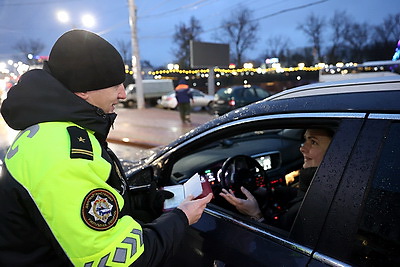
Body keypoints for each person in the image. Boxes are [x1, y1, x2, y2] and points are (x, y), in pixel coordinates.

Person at [0, 29, 212, 266]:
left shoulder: (56, 130)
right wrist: (182, 218)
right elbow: (116, 259)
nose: (122, 94)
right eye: (114, 85)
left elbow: (100, 200)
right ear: (83, 91)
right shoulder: (64, 154)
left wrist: (152, 202)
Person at [220, 128, 333, 231]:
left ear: (333, 152)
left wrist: (255, 214)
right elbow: (301, 194)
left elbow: (281, 248)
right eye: (305, 140)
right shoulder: (327, 183)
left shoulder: (316, 207)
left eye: (313, 142)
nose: (302, 148)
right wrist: (270, 192)